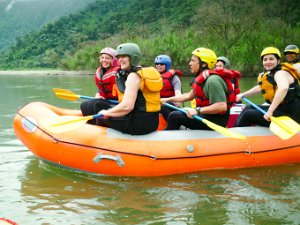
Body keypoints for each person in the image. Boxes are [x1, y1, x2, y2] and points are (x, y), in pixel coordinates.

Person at [160, 47, 236, 130]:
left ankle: (169, 140)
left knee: (174, 116)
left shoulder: (213, 81)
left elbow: (221, 106)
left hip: (215, 121)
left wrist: (198, 110)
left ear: (203, 64)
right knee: (168, 107)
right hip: (205, 115)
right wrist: (166, 99)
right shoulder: (203, 78)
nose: (190, 63)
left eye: (193, 61)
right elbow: (188, 96)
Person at [96, 43, 163, 135]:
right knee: (107, 114)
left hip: (139, 125)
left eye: (124, 56)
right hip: (153, 122)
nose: (120, 60)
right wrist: (110, 113)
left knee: (101, 118)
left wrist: (107, 112)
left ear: (133, 58)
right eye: (119, 57)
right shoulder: (145, 72)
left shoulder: (133, 76)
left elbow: (127, 106)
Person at [235, 47, 300, 127]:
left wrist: (270, 111)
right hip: (282, 109)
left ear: (278, 61)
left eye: (271, 59)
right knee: (249, 107)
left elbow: (283, 88)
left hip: (292, 114)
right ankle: (238, 130)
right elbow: (261, 88)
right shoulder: (271, 74)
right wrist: (243, 94)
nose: (268, 62)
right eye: (265, 60)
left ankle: (236, 135)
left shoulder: (280, 73)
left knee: (248, 114)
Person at [80, 47, 119, 124]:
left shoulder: (119, 73)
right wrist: (98, 93)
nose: (104, 60)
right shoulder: (101, 71)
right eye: (102, 58)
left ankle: (99, 125)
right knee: (84, 105)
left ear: (113, 60)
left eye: (107, 58)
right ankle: (92, 125)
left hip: (117, 102)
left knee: (94, 104)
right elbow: (101, 86)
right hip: (107, 100)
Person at [154, 54, 183, 121]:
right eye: (157, 64)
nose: (159, 65)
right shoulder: (153, 77)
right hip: (158, 102)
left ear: (167, 65)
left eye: (161, 64)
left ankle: (173, 123)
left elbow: (178, 93)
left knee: (163, 107)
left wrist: (178, 100)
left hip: (171, 104)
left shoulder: (174, 78)